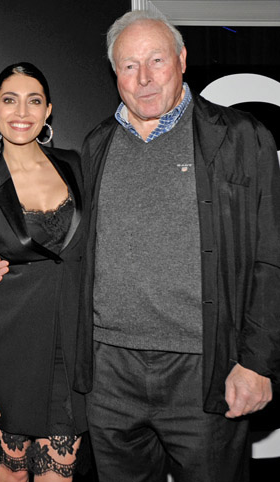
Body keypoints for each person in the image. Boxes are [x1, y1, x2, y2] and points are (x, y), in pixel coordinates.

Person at [73, 10, 279, 482]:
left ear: (182, 60)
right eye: (129, 65)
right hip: (111, 374)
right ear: (114, 73)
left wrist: (258, 362)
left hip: (205, 370)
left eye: (156, 61)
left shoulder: (241, 137)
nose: (143, 79)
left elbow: (272, 255)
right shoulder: (97, 144)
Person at [0, 62, 87, 482]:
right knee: (11, 476)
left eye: (34, 101)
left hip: (71, 346)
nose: (22, 112)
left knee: (59, 475)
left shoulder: (77, 167)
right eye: (9, 101)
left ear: (48, 110)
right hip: (9, 348)